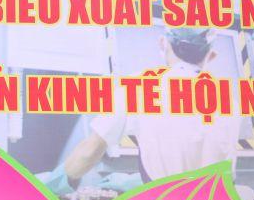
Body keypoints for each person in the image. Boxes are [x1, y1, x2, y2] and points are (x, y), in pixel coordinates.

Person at [59, 29, 241, 188]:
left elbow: (89, 152)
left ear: (163, 43)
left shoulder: (140, 86)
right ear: (211, 55)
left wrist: (58, 181)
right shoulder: (229, 100)